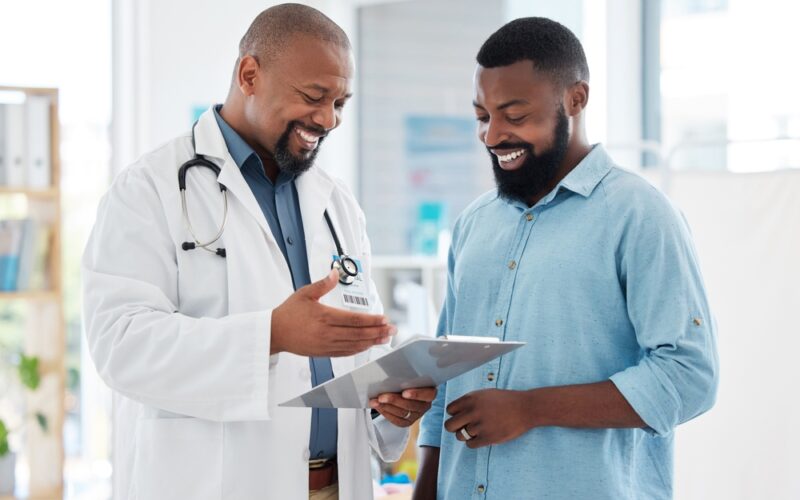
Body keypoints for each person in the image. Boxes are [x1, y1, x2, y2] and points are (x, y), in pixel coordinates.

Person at [82, 4, 434, 500]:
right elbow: (121, 344)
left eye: (340, 102)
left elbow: (353, 348)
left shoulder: (337, 204)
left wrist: (387, 402)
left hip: (337, 485)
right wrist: (270, 335)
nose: (328, 118)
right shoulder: (148, 189)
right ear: (249, 74)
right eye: (314, 97)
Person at [413, 17, 718, 500]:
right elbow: (445, 373)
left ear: (575, 99)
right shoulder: (474, 223)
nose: (492, 136)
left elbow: (690, 376)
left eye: (514, 115)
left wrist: (531, 408)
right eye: (481, 116)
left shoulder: (639, 214)